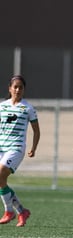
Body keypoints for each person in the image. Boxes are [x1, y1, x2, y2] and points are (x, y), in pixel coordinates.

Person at [0, 75, 40, 227]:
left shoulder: (27, 108)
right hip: (1, 148)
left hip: (16, 148)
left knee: (0, 174)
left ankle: (8, 211)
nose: (17, 89)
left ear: (24, 90)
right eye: (15, 87)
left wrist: (33, 148)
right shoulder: (2, 106)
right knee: (1, 180)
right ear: (10, 88)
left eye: (20, 87)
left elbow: (36, 131)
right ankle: (22, 211)